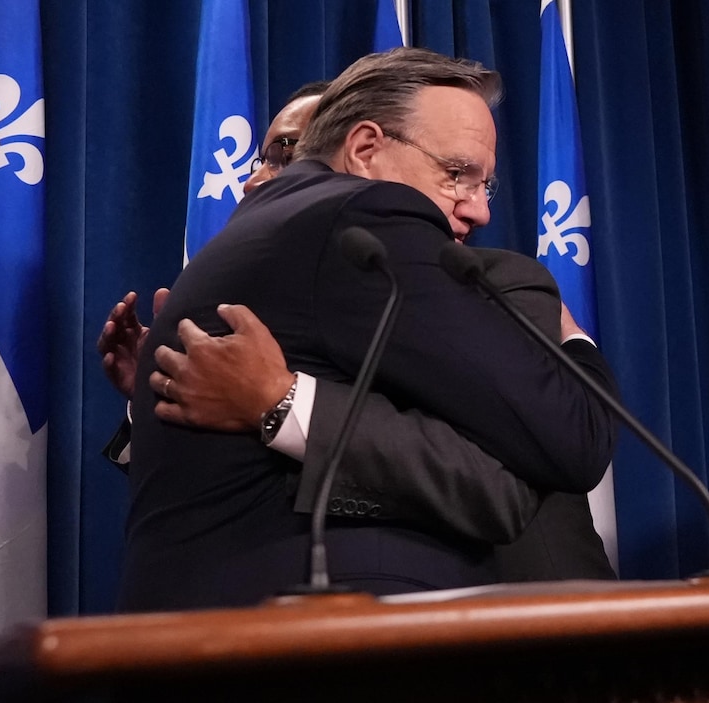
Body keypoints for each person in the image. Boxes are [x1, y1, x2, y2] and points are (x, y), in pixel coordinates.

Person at [119, 49, 619, 610]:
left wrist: (281, 400)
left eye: (485, 186)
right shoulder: (364, 224)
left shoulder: (277, 240)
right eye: (456, 174)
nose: (478, 210)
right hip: (322, 638)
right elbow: (572, 438)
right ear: (364, 149)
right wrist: (573, 342)